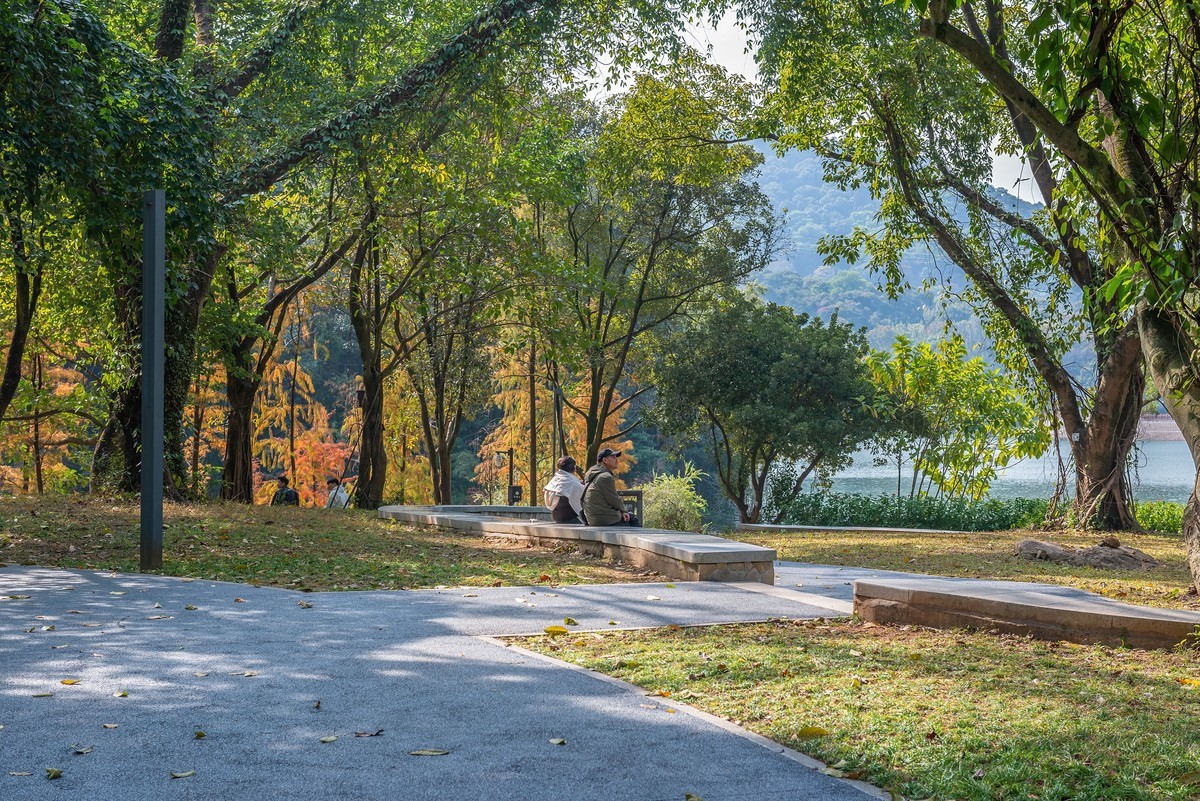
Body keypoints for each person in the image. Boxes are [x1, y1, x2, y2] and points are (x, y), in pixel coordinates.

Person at [581, 448, 639, 527]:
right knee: (633, 518)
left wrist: (622, 511)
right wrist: (624, 510)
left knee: (628, 516)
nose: (616, 460)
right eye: (613, 457)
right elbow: (613, 499)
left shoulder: (593, 474)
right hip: (604, 518)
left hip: (592, 517)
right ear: (605, 460)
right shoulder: (605, 477)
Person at [543, 456, 585, 523]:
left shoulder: (554, 480)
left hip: (557, 517)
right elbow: (584, 494)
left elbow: (564, 486)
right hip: (570, 518)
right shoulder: (573, 483)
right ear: (573, 468)